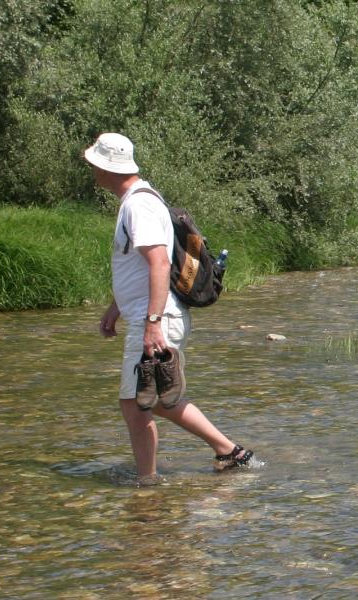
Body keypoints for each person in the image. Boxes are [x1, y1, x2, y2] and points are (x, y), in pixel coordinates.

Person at [85, 132, 254, 481]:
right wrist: (116, 307)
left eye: (94, 163)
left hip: (158, 319)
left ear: (108, 167)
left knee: (135, 404)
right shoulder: (139, 199)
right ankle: (230, 452)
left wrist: (151, 323)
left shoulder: (138, 205)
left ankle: (146, 483)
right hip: (156, 316)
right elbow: (139, 265)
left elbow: (160, 264)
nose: (90, 168)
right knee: (159, 400)